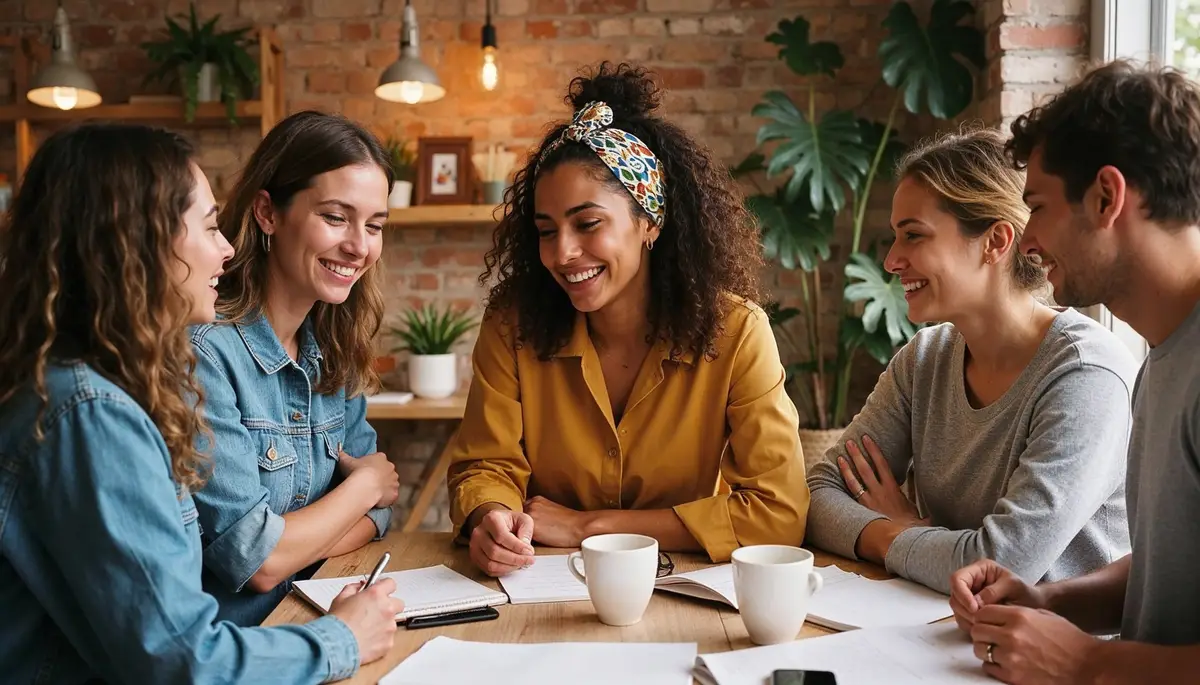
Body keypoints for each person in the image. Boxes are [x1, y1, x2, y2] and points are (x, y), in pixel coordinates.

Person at [0, 123, 403, 683]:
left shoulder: (104, 390)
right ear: (137, 243)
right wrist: (341, 638)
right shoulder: (91, 414)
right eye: (210, 227)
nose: (227, 248)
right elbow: (183, 657)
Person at [446, 62, 809, 577]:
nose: (563, 252)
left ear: (649, 222)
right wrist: (492, 516)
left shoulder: (736, 332)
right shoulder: (513, 327)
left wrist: (587, 526)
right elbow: (486, 464)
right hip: (535, 585)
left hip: (684, 587)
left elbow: (778, 514)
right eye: (546, 231)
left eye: (588, 224)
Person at [804, 127, 1137, 595]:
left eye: (913, 236)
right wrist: (895, 535)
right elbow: (817, 494)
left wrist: (905, 530)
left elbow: (1001, 563)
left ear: (995, 242)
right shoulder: (925, 360)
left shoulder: (1085, 374)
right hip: (935, 626)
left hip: (1053, 658)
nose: (891, 261)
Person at [950, 61, 1200, 684]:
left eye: (1037, 206)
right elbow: (1170, 568)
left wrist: (1088, 662)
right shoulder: (1163, 354)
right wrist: (1052, 602)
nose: (1028, 240)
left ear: (1107, 197)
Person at [189, 111, 400, 626]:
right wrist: (363, 488)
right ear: (267, 212)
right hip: (242, 649)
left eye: (374, 225)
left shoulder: (333, 344)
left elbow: (384, 513)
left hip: (319, 621)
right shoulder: (206, 351)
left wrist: (293, 541)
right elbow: (253, 560)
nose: (359, 246)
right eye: (335, 217)